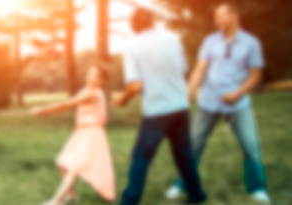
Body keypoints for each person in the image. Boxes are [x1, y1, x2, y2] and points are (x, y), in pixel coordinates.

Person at [165, 3, 271, 203]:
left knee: (251, 146)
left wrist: (237, 93)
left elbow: (255, 75)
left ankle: (257, 188)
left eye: (221, 16)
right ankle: (182, 184)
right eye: (216, 17)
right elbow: (200, 69)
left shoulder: (251, 43)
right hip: (208, 102)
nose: (217, 21)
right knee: (193, 145)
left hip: (237, 104)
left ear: (233, 16)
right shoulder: (210, 41)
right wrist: (189, 92)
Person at [114, 8, 206, 205]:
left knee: (140, 157)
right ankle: (196, 195)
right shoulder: (173, 39)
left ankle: (129, 202)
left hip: (157, 111)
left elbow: (136, 84)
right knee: (184, 154)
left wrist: (123, 99)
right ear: (152, 22)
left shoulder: (132, 45)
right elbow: (182, 72)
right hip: (180, 106)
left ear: (133, 25)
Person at [31, 67, 115, 205]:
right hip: (82, 133)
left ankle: (56, 201)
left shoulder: (94, 94)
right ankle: (72, 195)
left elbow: (67, 104)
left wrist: (43, 110)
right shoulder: (86, 90)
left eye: (95, 75)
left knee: (75, 167)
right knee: (61, 162)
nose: (90, 76)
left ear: (102, 81)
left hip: (91, 134)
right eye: (90, 73)